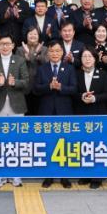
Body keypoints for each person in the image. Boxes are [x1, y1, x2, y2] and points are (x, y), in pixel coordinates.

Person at [0, 34, 29, 188]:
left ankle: (16, 175)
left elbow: (26, 81)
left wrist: (14, 82)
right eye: (2, 43)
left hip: (17, 105)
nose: (5, 46)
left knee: (17, 141)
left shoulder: (20, 60)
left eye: (7, 43)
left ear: (12, 45)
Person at [34, 40, 76, 189]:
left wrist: (61, 87)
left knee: (64, 144)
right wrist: (49, 86)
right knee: (48, 144)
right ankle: (49, 176)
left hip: (64, 111)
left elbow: (74, 89)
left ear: (62, 52)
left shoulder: (69, 68)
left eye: (58, 51)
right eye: (52, 51)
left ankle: (64, 177)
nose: (55, 54)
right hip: (46, 111)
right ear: (48, 53)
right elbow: (36, 89)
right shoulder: (42, 69)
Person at [74, 48, 107, 190]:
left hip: (99, 113)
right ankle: (86, 174)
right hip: (81, 113)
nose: (87, 59)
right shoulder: (76, 74)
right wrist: (81, 96)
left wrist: (95, 98)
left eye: (90, 56)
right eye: (84, 56)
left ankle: (97, 177)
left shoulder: (103, 74)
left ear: (95, 59)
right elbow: (73, 92)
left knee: (98, 145)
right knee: (84, 144)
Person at [16, 26, 47, 115]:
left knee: (40, 114)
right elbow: (17, 66)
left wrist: (34, 54)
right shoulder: (20, 49)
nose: (32, 36)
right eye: (30, 34)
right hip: (25, 87)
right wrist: (27, 58)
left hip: (40, 85)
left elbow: (47, 63)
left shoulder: (44, 49)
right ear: (26, 36)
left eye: (35, 34)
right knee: (26, 115)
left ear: (39, 36)